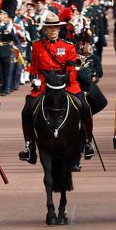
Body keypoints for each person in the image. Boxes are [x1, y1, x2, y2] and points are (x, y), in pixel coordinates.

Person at [18, 12, 95, 164]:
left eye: (55, 28)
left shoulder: (68, 46)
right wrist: (34, 79)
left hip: (66, 83)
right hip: (44, 84)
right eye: (49, 28)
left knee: (85, 108)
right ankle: (29, 146)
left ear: (59, 29)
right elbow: (34, 67)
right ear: (45, 30)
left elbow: (72, 69)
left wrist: (65, 81)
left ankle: (87, 142)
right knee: (26, 111)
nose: (52, 30)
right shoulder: (37, 45)